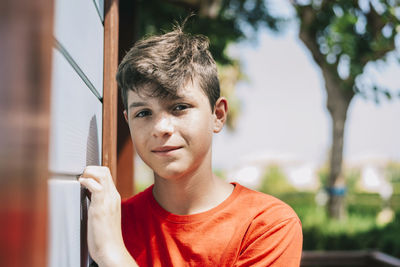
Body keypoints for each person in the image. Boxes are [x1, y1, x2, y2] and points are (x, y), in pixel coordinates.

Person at [79, 23, 303, 267]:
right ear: (128, 122)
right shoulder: (111, 223)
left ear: (217, 115)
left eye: (179, 107)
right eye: (143, 113)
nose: (161, 128)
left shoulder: (266, 225)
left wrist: (113, 256)